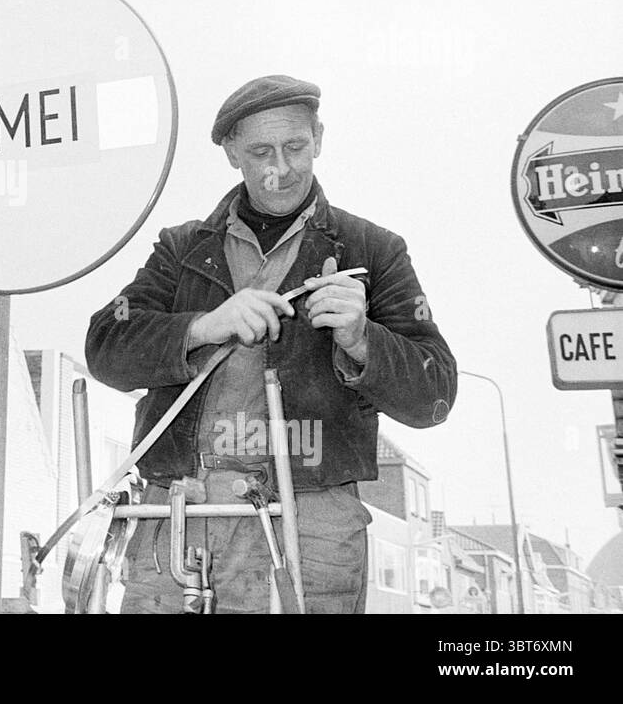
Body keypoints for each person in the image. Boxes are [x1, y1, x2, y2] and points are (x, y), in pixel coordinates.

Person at [85, 74, 457, 614]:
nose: (278, 169)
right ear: (232, 153)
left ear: (320, 139)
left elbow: (436, 393)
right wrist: (203, 326)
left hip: (308, 524)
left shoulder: (374, 251)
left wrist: (361, 338)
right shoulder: (182, 248)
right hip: (179, 516)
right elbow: (105, 347)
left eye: (295, 147)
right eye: (259, 151)